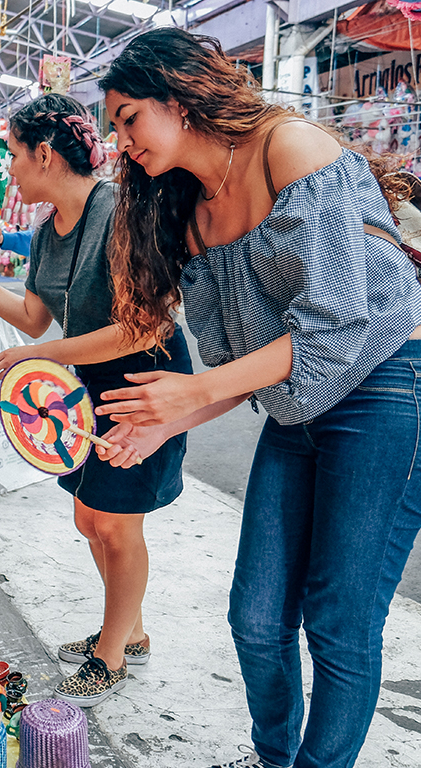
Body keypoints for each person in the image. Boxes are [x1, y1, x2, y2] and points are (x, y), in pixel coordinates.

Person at [95, 27, 421, 768]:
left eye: (129, 118)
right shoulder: (190, 213)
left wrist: (189, 393)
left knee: (339, 621)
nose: (124, 142)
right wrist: (166, 423)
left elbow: (338, 321)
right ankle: (276, 757)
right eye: (114, 127)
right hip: (300, 408)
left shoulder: (291, 147)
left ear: (177, 100)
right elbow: (244, 366)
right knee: (255, 618)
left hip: (388, 388)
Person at [0, 93, 192, 707]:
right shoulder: (47, 232)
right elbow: (34, 316)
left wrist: (40, 356)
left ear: (44, 154)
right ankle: (133, 630)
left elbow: (145, 327)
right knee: (86, 516)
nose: (12, 170)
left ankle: (110, 655)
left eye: (15, 155)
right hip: (87, 386)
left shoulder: (118, 212)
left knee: (116, 525)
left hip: (144, 384)